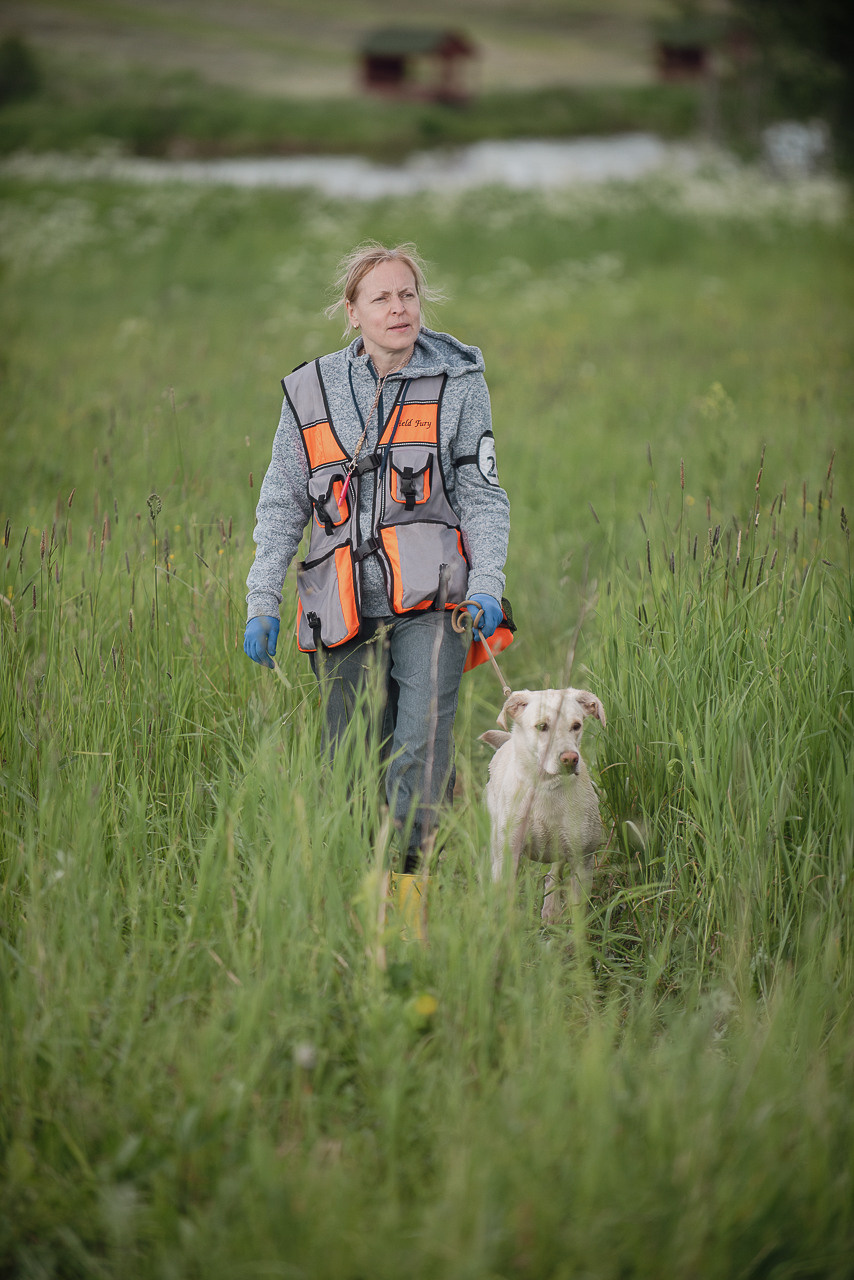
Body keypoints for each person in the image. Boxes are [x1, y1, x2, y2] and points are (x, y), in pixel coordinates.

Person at [244, 241, 510, 929]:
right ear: (352, 310)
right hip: (340, 604)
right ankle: (364, 899)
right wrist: (260, 601)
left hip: (436, 598)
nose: (398, 308)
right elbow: (282, 502)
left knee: (421, 745)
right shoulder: (310, 389)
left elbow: (482, 496)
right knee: (353, 754)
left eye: (408, 295)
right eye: (382, 298)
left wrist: (487, 583)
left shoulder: (459, 380)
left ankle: (407, 903)